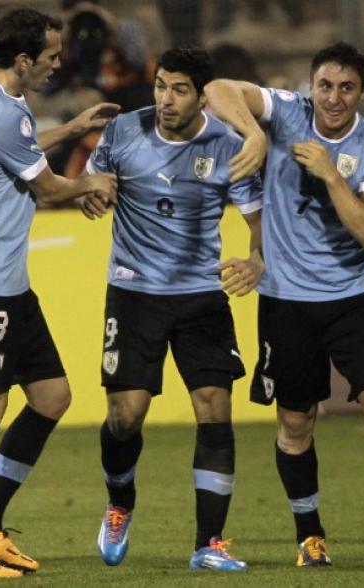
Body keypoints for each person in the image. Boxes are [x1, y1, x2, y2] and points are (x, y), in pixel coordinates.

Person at [205, 42, 364, 566]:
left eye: (346, 88)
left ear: (361, 92)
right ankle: (309, 535)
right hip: (286, 303)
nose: (333, 99)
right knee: (296, 422)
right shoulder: (285, 112)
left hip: (351, 299)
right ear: (310, 86)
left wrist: (333, 174)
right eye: (325, 87)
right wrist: (252, 132)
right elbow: (217, 89)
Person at [0, 8, 118, 578]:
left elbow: (21, 150)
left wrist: (74, 128)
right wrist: (93, 180)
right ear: (23, 60)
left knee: (52, 397)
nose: (58, 63)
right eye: (51, 56)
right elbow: (49, 184)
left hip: (8, 283)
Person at [82, 47, 263, 572]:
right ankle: (120, 503)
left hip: (201, 296)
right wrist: (90, 196)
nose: (165, 98)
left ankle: (210, 542)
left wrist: (257, 262)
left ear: (203, 95)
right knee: (125, 415)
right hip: (135, 292)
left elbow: (258, 224)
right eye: (161, 85)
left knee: (214, 407)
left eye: (179, 89)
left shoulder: (230, 145)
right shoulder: (123, 133)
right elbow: (94, 182)